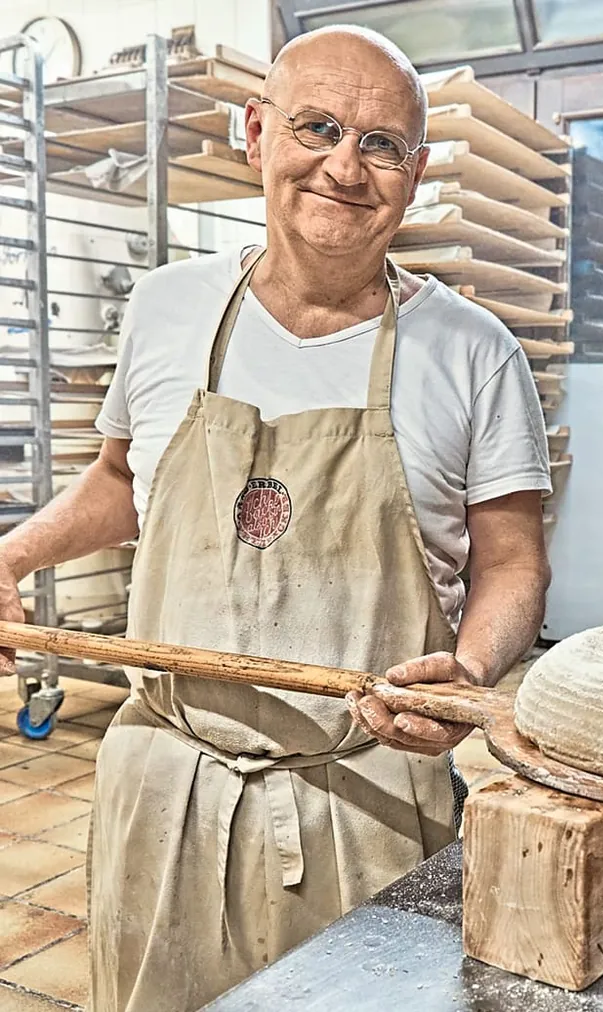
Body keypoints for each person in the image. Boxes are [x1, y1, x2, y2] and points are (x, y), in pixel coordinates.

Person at [0, 25, 552, 1012]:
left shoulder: (474, 352)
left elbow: (513, 562)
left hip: (369, 799)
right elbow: (124, 480)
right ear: (256, 133)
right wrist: (14, 554)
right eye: (317, 127)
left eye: (381, 144)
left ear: (417, 172)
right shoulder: (167, 308)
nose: (345, 167)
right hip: (167, 793)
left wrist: (467, 673)